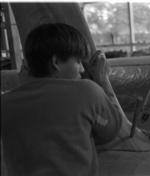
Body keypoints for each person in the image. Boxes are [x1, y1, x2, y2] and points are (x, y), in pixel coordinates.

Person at [1, 23, 123, 176]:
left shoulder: (5, 103)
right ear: (56, 62)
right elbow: (112, 129)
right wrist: (103, 80)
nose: (83, 69)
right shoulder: (87, 92)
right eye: (78, 61)